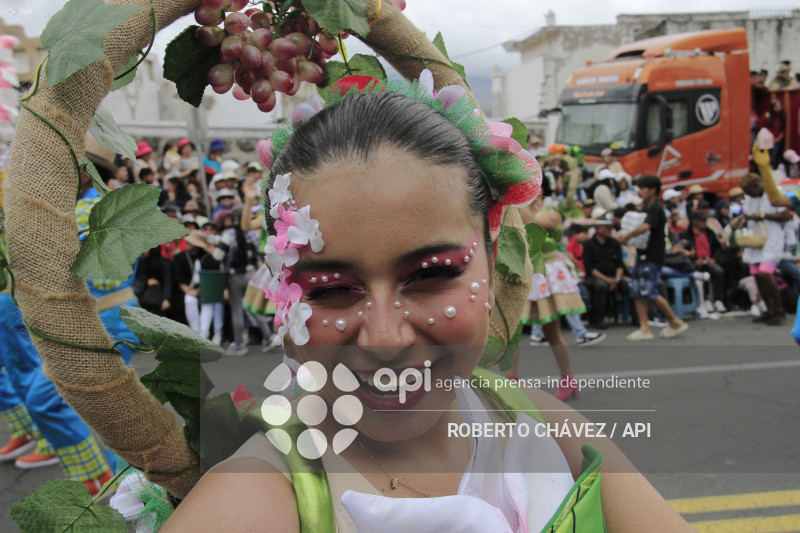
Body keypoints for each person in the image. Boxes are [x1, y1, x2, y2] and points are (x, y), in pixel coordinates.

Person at [162, 76, 692, 532]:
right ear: (283, 290)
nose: (387, 338)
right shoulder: (251, 501)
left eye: (432, 276)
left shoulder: (542, 424)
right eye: (329, 289)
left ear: (492, 255)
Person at [617, 175, 688, 341]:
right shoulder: (648, 206)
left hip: (652, 255)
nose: (640, 191)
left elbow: (646, 226)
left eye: (643, 188)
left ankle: (675, 321)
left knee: (649, 291)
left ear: (653, 190)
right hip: (643, 253)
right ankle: (644, 328)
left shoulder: (656, 207)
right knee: (637, 291)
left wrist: (627, 236)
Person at [679, 211, 726, 313]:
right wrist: (694, 260)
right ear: (695, 222)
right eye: (702, 221)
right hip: (694, 264)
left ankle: (717, 299)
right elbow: (682, 251)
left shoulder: (709, 232)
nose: (705, 223)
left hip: (709, 261)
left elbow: (718, 248)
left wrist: (714, 258)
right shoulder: (686, 235)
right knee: (701, 275)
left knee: (718, 271)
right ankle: (704, 300)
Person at [583, 223, 628, 329]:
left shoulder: (615, 243)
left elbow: (620, 264)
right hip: (596, 276)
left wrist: (616, 279)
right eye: (607, 228)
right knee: (600, 286)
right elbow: (590, 268)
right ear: (599, 229)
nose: (610, 230)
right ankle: (598, 318)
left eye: (611, 228)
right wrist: (608, 280)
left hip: (614, 276)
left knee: (628, 284)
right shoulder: (588, 244)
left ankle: (637, 318)